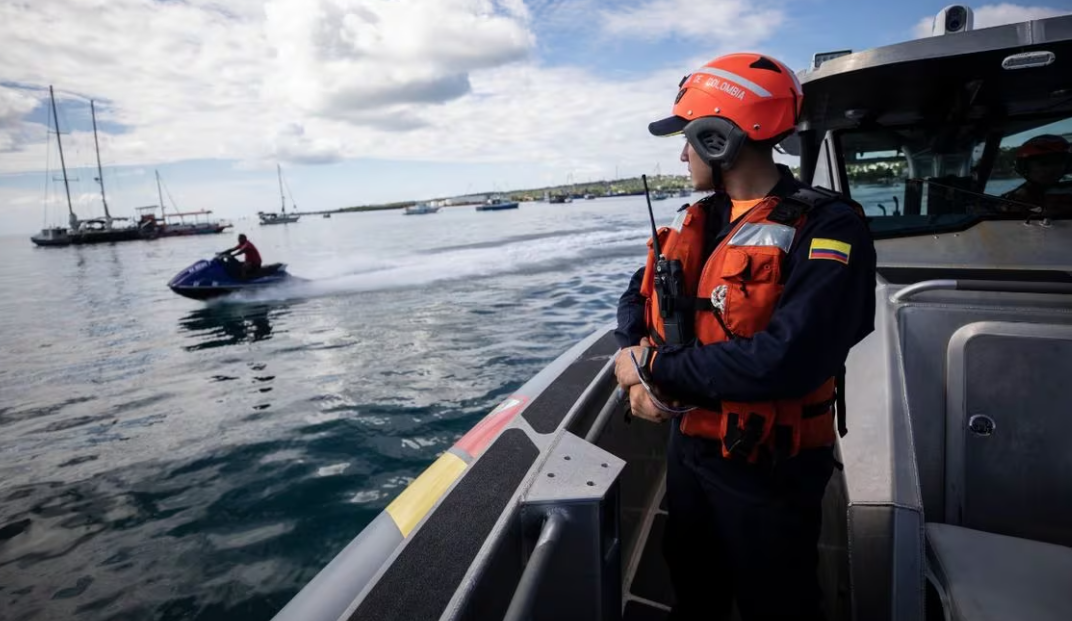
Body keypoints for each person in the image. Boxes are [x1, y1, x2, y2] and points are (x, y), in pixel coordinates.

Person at [613, 53, 877, 621]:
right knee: (694, 584)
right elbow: (636, 300)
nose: (683, 154)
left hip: (768, 468)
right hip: (691, 447)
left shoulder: (829, 226)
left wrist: (654, 372)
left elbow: (790, 359)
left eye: (689, 138)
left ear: (717, 138)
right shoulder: (698, 220)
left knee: (777, 602)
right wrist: (632, 353)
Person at [999, 134, 1072, 216]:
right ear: (1025, 167)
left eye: (1059, 162)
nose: (1051, 169)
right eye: (1043, 163)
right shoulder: (1014, 200)